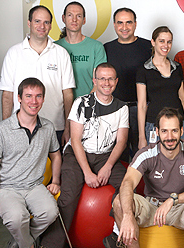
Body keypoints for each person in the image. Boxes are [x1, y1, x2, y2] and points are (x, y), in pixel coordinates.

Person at [40, 63, 129, 248]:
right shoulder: (81, 103)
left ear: (116, 81)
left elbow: (121, 142)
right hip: (77, 153)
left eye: (111, 78)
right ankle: (51, 245)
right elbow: (75, 139)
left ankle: (116, 235)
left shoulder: (122, 108)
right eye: (102, 78)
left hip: (106, 155)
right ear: (94, 81)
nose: (107, 82)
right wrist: (87, 172)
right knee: (68, 196)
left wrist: (108, 166)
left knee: (128, 188)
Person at [104, 107, 184, 248]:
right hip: (152, 207)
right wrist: (127, 215)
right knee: (120, 201)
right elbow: (127, 183)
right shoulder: (146, 153)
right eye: (164, 131)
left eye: (174, 131)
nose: (169, 137)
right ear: (157, 132)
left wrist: (174, 199)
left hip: (180, 208)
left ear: (182, 131)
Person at [0, 78, 62, 248]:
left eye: (38, 96)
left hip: (35, 186)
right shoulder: (1, 131)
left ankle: (20, 243)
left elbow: (56, 155)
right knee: (17, 218)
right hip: (8, 188)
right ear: (19, 98)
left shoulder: (48, 127)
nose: (34, 101)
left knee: (50, 213)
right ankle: (29, 245)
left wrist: (55, 180)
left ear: (43, 98)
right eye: (28, 96)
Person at [0, 5, 75, 147]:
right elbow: (7, 94)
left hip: (55, 127)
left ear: (51, 26)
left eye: (46, 22)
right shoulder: (14, 53)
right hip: (21, 128)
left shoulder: (61, 53)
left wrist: (68, 127)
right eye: (37, 21)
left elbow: (68, 94)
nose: (42, 26)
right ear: (29, 23)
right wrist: (7, 128)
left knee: (55, 168)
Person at [104, 8, 151, 158]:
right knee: (118, 156)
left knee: (143, 154)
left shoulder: (148, 47)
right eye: (120, 23)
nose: (124, 27)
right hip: (115, 109)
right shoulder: (106, 49)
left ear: (135, 24)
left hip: (142, 109)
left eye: (128, 22)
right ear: (114, 25)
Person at [136, 26, 184, 149]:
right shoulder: (143, 70)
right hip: (154, 126)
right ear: (153, 42)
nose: (166, 45)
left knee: (178, 161)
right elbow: (142, 105)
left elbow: (182, 98)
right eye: (162, 41)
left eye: (169, 42)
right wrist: (141, 137)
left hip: (178, 125)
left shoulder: (177, 68)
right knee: (155, 164)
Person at [55, 1, 107, 98]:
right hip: (58, 106)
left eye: (78, 16)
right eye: (70, 15)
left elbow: (99, 82)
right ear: (63, 18)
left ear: (84, 20)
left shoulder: (96, 47)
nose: (74, 19)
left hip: (88, 106)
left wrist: (85, 104)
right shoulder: (54, 47)